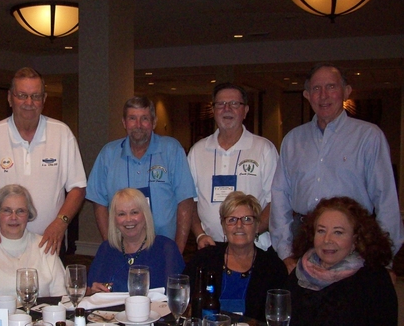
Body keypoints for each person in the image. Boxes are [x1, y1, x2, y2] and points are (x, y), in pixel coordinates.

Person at [271, 63, 404, 274]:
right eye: (316, 89)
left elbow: (385, 198)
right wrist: (285, 252)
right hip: (303, 242)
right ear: (307, 94)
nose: (323, 95)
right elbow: (279, 197)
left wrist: (384, 258)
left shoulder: (368, 136)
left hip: (353, 244)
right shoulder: (293, 140)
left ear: (346, 91)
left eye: (331, 87)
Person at [285, 197, 403, 326]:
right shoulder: (300, 273)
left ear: (356, 238)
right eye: (321, 230)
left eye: (338, 232)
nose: (327, 239)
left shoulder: (374, 278)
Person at [0, 67, 86, 256]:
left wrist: (60, 222)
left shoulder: (62, 134)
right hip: (3, 243)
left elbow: (78, 188)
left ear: (44, 99)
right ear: (10, 98)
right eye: (22, 95)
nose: (29, 102)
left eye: (35, 96)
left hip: (49, 243)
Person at [86, 96, 196, 253]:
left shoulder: (171, 150)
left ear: (154, 122)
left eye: (144, 118)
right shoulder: (108, 154)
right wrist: (110, 246)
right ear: (124, 123)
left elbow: (185, 201)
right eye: (132, 118)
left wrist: (177, 250)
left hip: (163, 246)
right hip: (121, 247)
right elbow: (99, 203)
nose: (138, 125)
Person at [188, 82, 278, 251]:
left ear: (245, 111)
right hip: (210, 246)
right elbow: (190, 201)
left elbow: (275, 201)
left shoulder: (263, 149)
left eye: (234, 104)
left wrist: (252, 232)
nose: (227, 109)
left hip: (254, 246)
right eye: (221, 104)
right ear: (213, 110)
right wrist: (199, 234)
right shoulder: (197, 151)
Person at [183, 192, 286, 320]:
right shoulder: (204, 259)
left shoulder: (273, 268)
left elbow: (278, 317)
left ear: (257, 225)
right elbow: (185, 303)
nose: (239, 226)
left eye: (247, 219)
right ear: (224, 227)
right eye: (231, 220)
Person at [87, 188, 185, 293]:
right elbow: (89, 289)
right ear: (114, 219)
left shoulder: (166, 248)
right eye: (121, 214)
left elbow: (176, 295)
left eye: (134, 212)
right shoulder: (106, 249)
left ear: (145, 215)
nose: (128, 219)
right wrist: (93, 291)